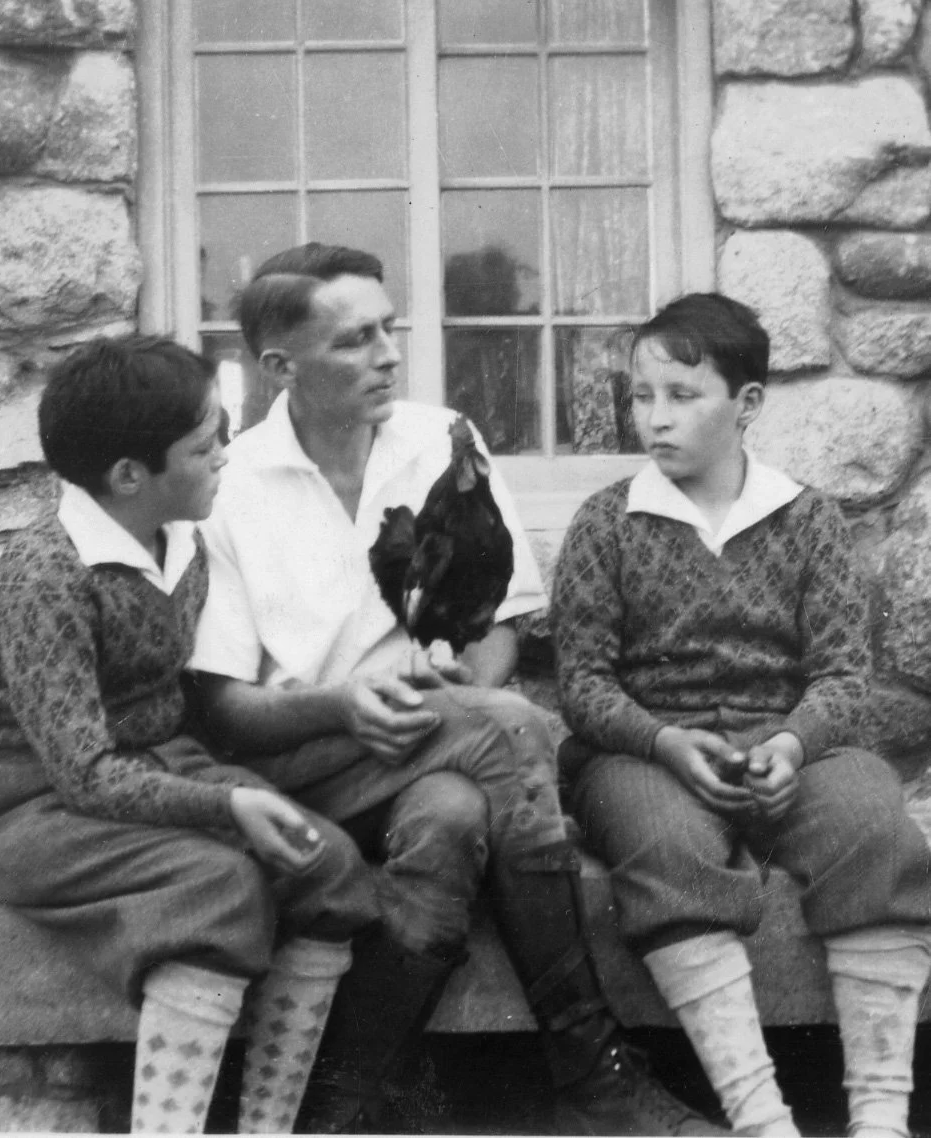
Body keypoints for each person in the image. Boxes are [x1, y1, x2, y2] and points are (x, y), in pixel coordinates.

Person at [189, 241, 726, 1135]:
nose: (390, 354)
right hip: (305, 773)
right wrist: (344, 705)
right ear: (280, 367)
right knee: (512, 731)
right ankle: (593, 1072)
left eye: (388, 330)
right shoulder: (230, 488)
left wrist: (459, 684)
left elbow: (501, 625)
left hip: (438, 751)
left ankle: (344, 1102)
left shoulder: (441, 440)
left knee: (452, 818)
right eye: (356, 341)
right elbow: (224, 712)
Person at [0, 335, 381, 1135]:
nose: (226, 453)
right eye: (204, 443)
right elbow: (81, 771)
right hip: (28, 804)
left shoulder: (183, 539)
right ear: (128, 477)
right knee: (217, 885)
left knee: (325, 865)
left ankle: (266, 1126)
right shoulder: (46, 573)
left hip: (153, 767)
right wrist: (226, 810)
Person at [552, 292, 931, 1138]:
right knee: (659, 840)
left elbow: (841, 674)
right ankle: (762, 1118)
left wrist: (795, 743)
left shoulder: (807, 520)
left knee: (877, 825)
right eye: (642, 396)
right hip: (652, 751)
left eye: (683, 396)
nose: (656, 418)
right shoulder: (607, 524)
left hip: (788, 745)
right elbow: (583, 683)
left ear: (747, 404)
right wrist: (662, 742)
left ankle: (879, 1113)